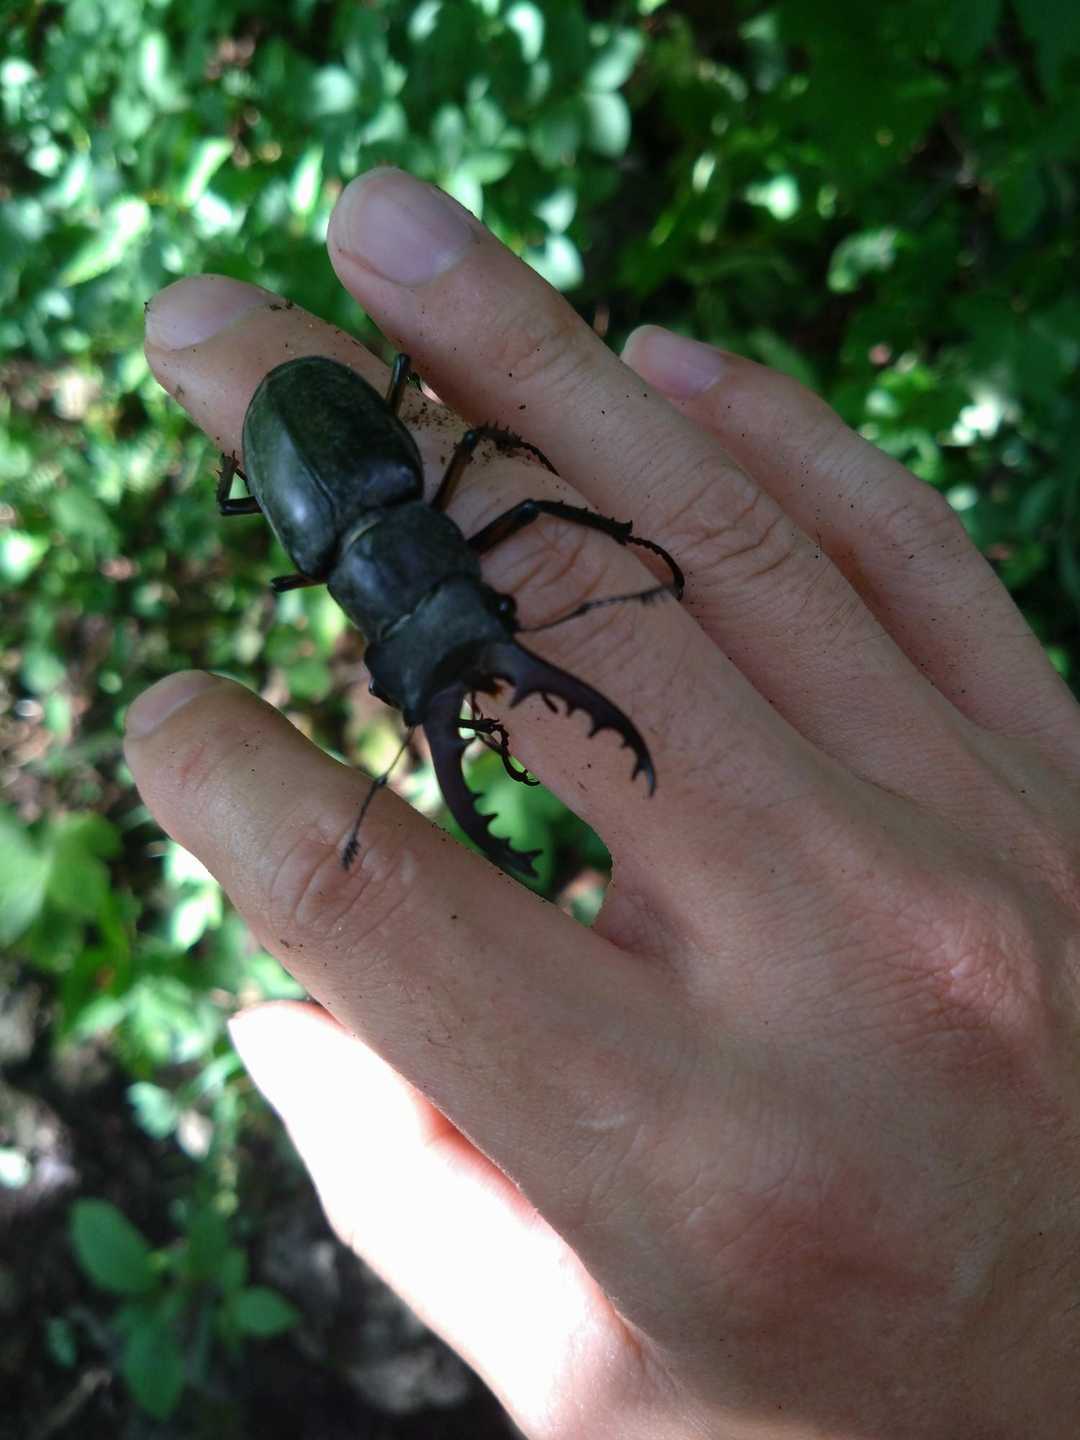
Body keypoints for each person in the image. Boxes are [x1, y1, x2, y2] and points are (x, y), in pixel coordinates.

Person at [130, 167, 1080, 1437]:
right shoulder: (402, 511)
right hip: (341, 479)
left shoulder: (336, 540)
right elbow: (487, 506)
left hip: (328, 486)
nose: (461, 677)